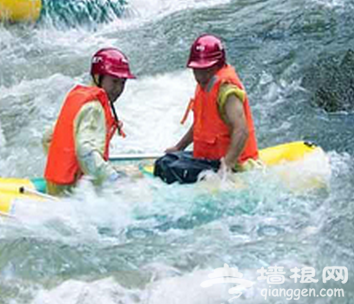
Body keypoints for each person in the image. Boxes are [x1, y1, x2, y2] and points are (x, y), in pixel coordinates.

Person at [154, 34, 259, 184]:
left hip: (234, 164)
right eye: (197, 70)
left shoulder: (227, 90)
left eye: (206, 70)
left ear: (218, 65)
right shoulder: (205, 85)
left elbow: (241, 131)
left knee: (167, 169)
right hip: (208, 161)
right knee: (164, 162)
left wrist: (227, 165)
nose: (201, 76)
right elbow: (199, 124)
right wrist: (179, 147)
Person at [43, 48, 135, 195]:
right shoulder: (94, 108)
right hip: (74, 193)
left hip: (57, 186)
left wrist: (63, 166)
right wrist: (114, 180)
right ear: (98, 76)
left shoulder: (82, 99)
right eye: (114, 81)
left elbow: (48, 138)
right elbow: (85, 152)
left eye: (122, 83)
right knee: (136, 176)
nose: (118, 89)